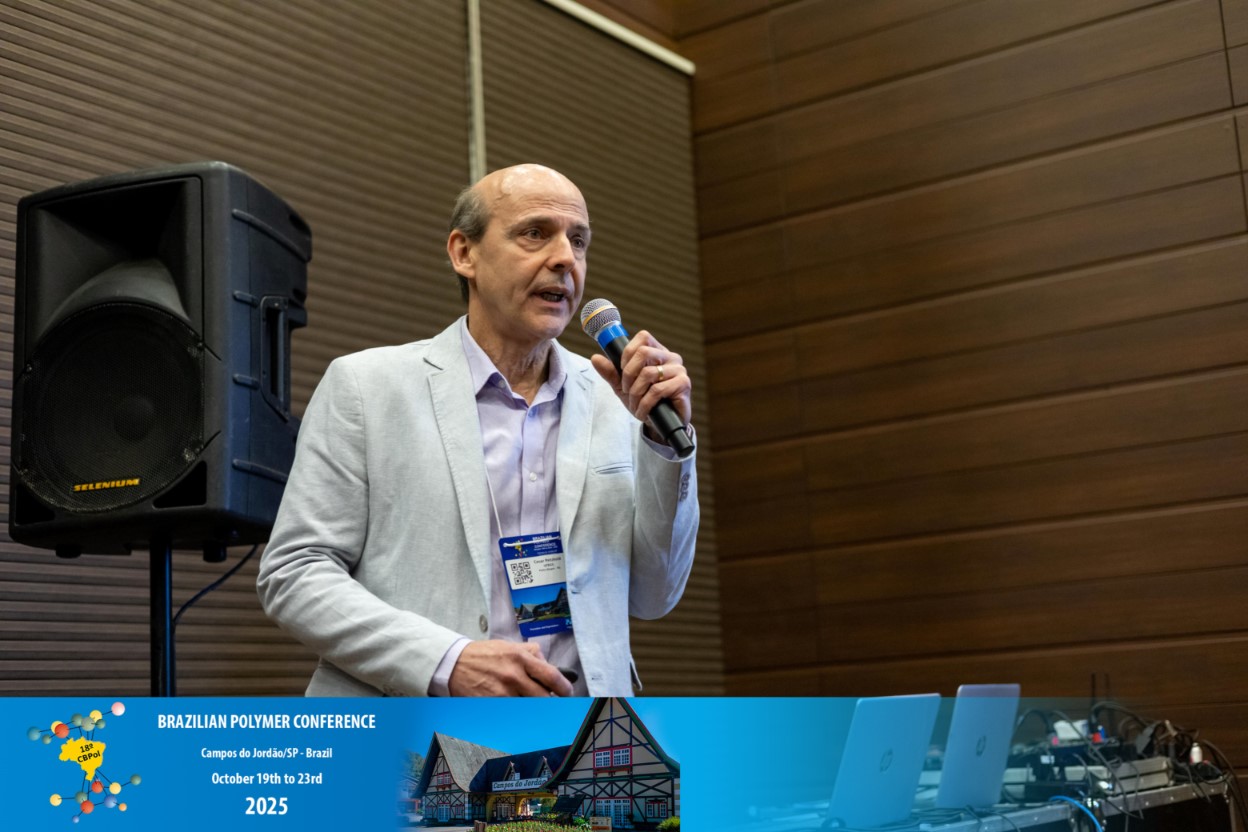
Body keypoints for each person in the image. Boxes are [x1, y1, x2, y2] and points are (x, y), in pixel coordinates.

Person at [256, 164, 699, 697]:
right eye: (535, 233)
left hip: (578, 725)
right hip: (414, 723)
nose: (565, 257)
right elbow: (295, 573)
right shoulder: (367, 387)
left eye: (578, 240)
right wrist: (447, 662)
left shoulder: (618, 397)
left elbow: (655, 595)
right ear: (464, 253)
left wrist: (664, 443)